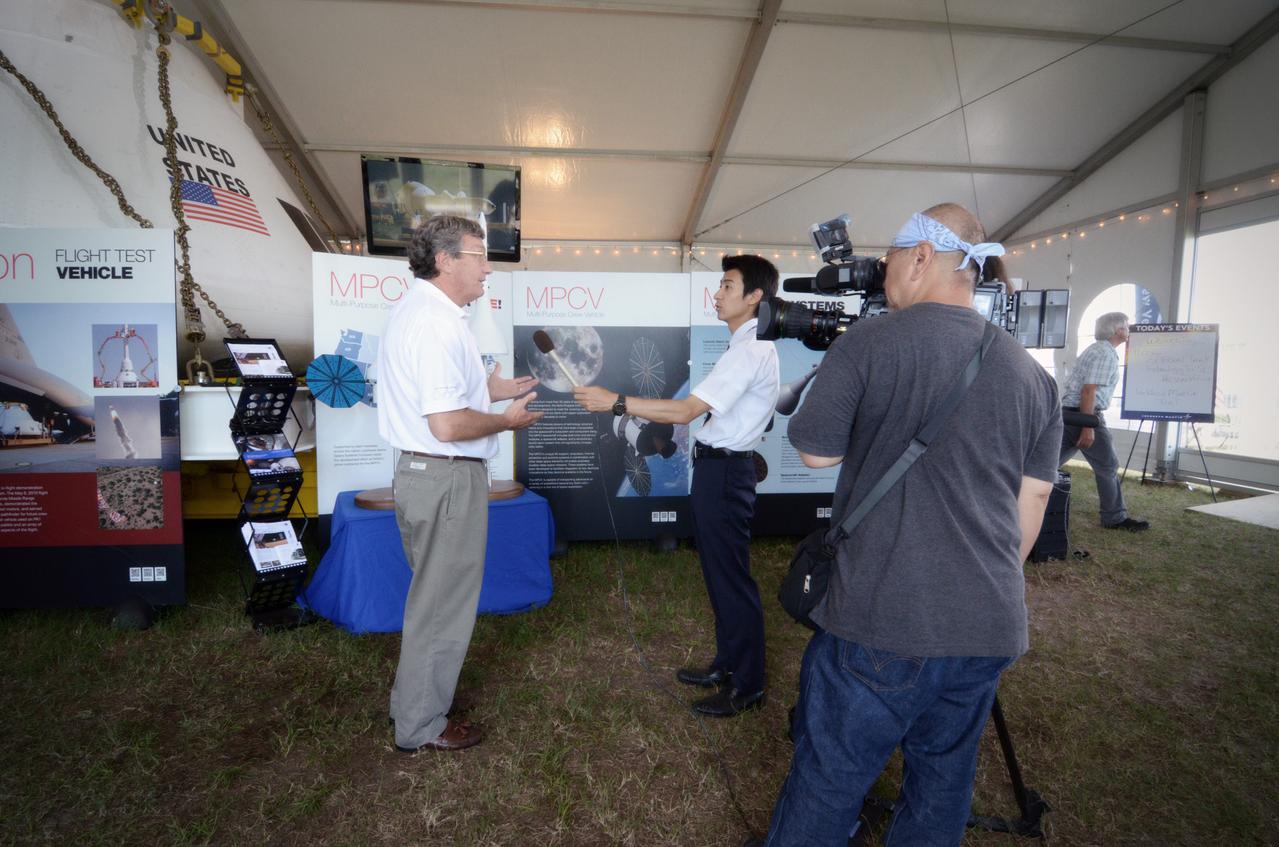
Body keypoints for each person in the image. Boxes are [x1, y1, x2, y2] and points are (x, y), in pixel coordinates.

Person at [759, 204, 1062, 845]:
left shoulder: (872, 340)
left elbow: (815, 450)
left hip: (884, 616)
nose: (884, 266)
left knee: (830, 779)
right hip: (989, 622)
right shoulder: (1031, 373)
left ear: (923, 256)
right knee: (943, 785)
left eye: (893, 252)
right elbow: (1033, 499)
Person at [573, 255, 779, 717]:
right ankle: (727, 664)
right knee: (718, 573)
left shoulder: (752, 351)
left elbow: (686, 412)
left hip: (726, 474)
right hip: (717, 472)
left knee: (731, 578)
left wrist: (617, 403)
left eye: (728, 285)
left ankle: (747, 684)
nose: (718, 293)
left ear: (754, 297)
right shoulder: (742, 347)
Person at [376, 215, 542, 753]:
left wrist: (487, 387)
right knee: (442, 603)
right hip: (445, 476)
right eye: (478, 254)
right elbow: (447, 424)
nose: (488, 267)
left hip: (427, 473)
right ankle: (421, 724)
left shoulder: (424, 312)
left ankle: (420, 701)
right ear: (445, 260)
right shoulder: (437, 323)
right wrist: (506, 420)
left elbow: (439, 397)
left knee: (432, 597)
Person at [1058, 312, 1150, 530]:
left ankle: (1012, 497)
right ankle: (1114, 517)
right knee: (1108, 465)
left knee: (1046, 462)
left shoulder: (1097, 349)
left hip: (1071, 413)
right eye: (1127, 326)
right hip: (1085, 414)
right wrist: (1088, 426)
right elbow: (1089, 390)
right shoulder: (1105, 354)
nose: (1129, 330)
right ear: (1117, 330)